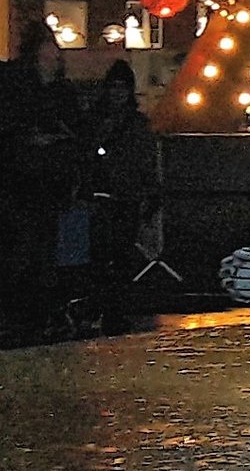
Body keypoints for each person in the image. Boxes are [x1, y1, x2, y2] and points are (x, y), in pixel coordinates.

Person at [0, 22, 83, 337]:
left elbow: (76, 131)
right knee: (21, 248)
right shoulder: (19, 87)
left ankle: (35, 313)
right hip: (21, 181)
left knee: (41, 249)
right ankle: (22, 312)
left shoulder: (60, 92)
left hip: (47, 181)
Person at [80, 59, 156, 332]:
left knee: (115, 257)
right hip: (112, 196)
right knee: (106, 257)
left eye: (121, 88)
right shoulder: (129, 123)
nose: (117, 93)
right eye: (114, 87)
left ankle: (108, 309)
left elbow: (144, 161)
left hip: (120, 196)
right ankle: (109, 309)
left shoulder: (113, 122)